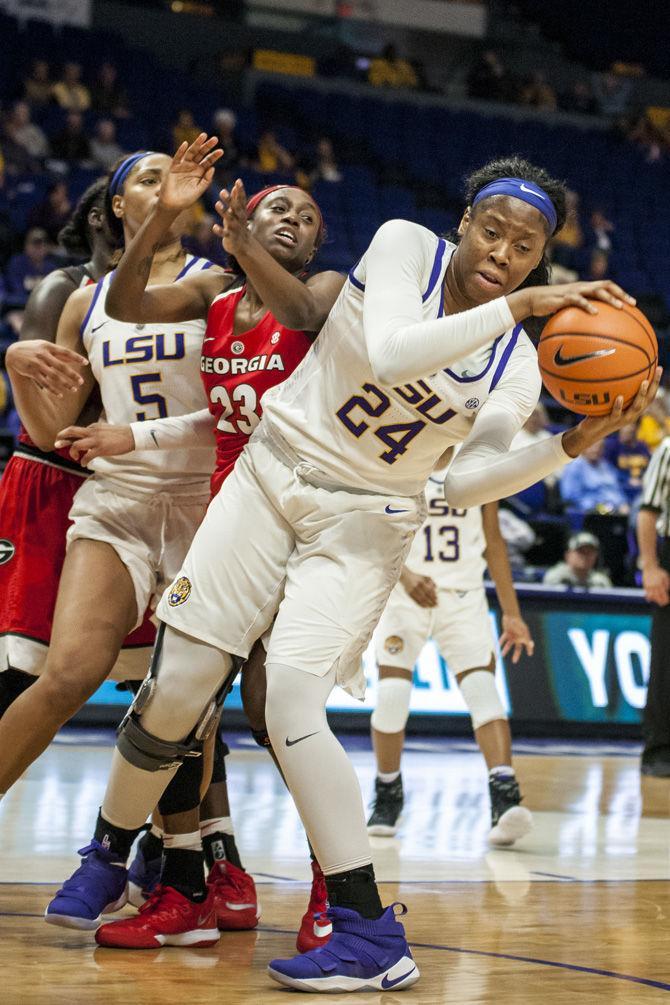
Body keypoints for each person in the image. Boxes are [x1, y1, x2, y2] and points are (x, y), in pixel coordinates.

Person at [29, 149, 659, 993]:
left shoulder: (513, 365)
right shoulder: (404, 246)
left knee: (290, 698)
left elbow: (461, 482)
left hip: (368, 520)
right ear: (463, 226)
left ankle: (368, 931)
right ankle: (110, 847)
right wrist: (526, 304)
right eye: (492, 230)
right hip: (271, 471)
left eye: (524, 246)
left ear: (540, 256)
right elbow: (397, 352)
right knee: (178, 682)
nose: (502, 254)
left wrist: (565, 444)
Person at [33, 147, 346, 951]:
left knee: (276, 712)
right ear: (247, 216)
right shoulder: (211, 298)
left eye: (309, 217)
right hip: (226, 517)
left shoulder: (323, 293)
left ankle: (331, 886)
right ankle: (181, 878)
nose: (294, 220)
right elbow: (127, 300)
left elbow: (307, 321)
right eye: (280, 205)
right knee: (179, 697)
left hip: (302, 524)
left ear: (316, 244)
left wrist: (240, 246)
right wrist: (167, 214)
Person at [0, 150, 217, 811]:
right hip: (117, 501)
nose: (163, 186)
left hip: (202, 504)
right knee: (64, 676)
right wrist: (14, 363)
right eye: (147, 180)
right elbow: (50, 432)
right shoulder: (83, 302)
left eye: (169, 177)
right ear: (116, 207)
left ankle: (180, 862)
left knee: (183, 697)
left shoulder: (218, 284)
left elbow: (244, 410)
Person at [0, 179, 139, 719]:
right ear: (104, 217)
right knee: (19, 666)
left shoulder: (172, 295)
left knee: (157, 678)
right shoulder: (64, 288)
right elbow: (48, 419)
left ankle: (188, 806)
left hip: (127, 485)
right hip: (51, 475)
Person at [367, 459, 534, 846]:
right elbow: (377, 528)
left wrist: (511, 612)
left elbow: (493, 538)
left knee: (482, 689)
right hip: (403, 592)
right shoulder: (401, 452)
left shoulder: (477, 458)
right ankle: (388, 791)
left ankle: (504, 797)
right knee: (392, 695)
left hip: (462, 595)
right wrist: (405, 577)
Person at [636, 437, 670, 776]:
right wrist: (650, 565)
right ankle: (660, 749)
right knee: (666, 660)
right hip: (669, 556)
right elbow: (647, 512)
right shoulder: (669, 449)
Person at [560, 440, 628, 513]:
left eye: (600, 447)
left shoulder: (606, 466)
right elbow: (570, 497)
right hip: (590, 513)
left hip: (614, 511)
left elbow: (617, 490)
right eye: (592, 446)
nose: (596, 450)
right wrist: (599, 506)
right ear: (584, 448)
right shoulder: (575, 467)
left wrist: (622, 503)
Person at [543, 532, 612, 588]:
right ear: (568, 555)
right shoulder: (556, 578)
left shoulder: (601, 582)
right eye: (581, 552)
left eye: (590, 552)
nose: (585, 556)